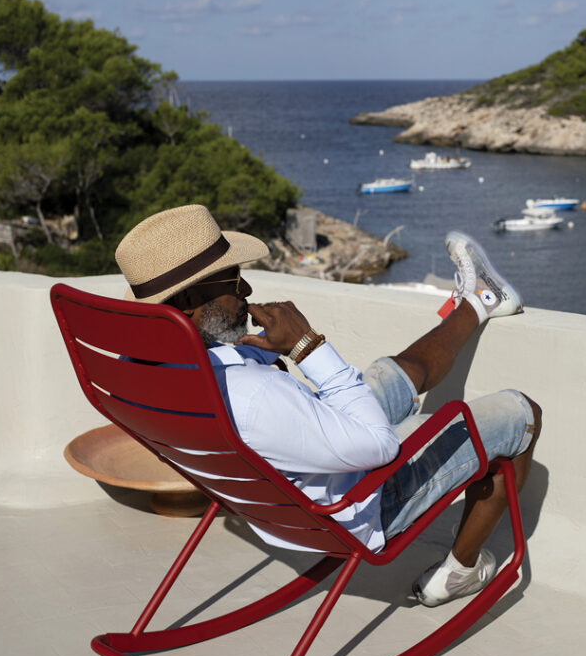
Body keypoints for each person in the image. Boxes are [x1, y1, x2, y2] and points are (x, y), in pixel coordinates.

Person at [115, 204, 541, 607]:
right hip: (357, 507)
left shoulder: (141, 369)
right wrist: (307, 346)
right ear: (192, 301)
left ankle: (478, 300)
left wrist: (254, 350)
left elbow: (270, 405)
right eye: (232, 280)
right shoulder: (253, 395)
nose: (246, 289)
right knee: (522, 413)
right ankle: (462, 571)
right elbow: (381, 446)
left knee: (392, 374)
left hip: (284, 498)